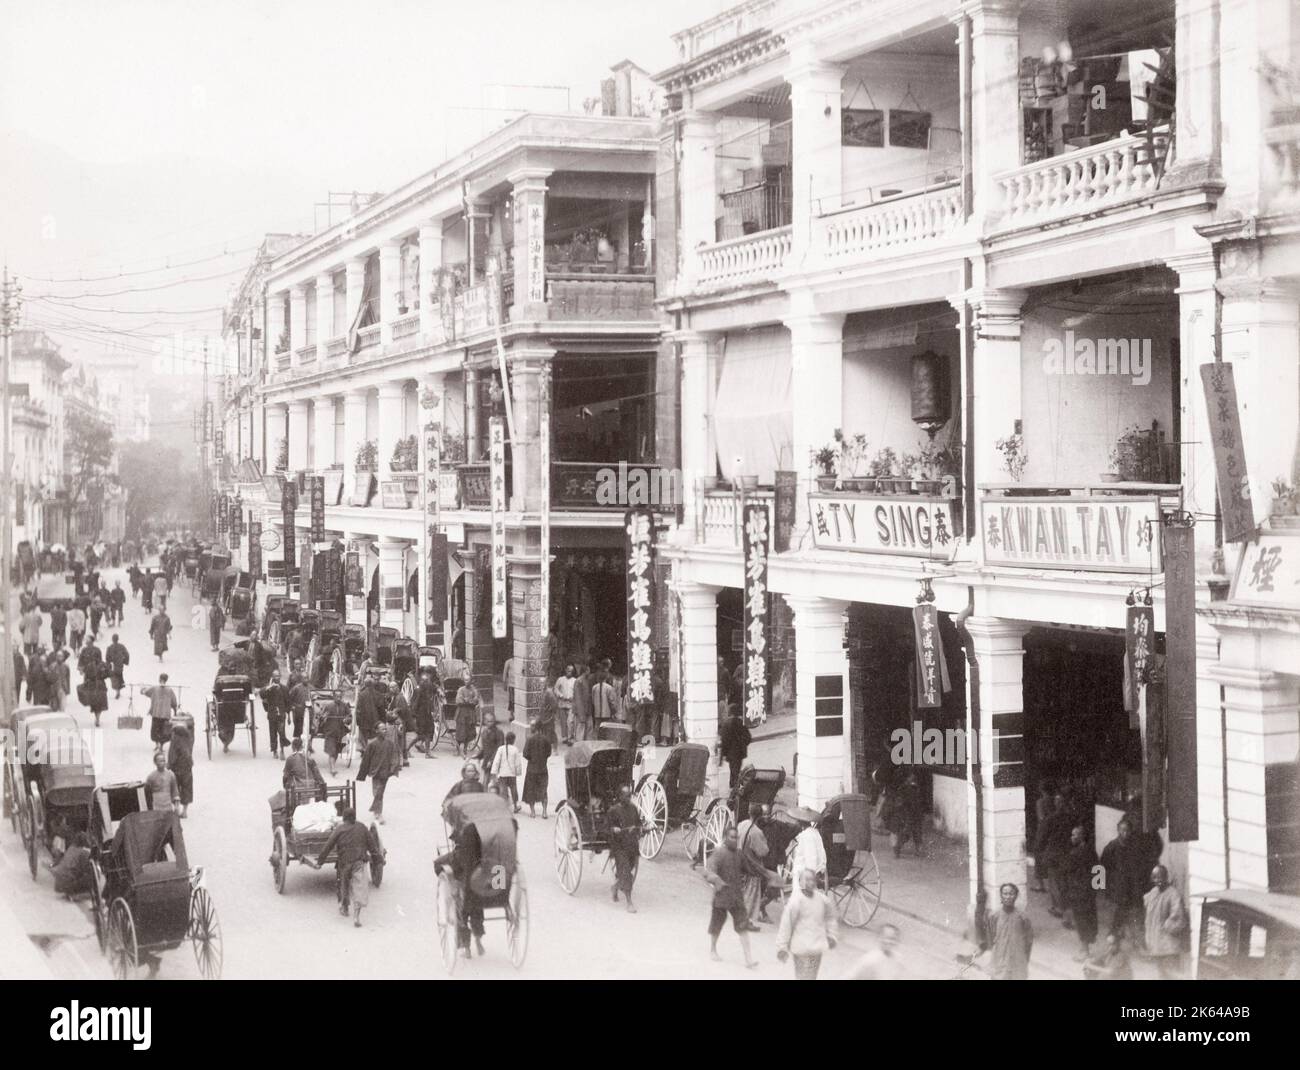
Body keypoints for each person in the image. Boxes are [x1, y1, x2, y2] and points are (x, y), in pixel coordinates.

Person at [312, 808, 380, 927]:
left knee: (343, 884)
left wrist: (320, 862)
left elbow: (328, 846)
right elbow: (372, 846)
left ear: (344, 818)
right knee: (359, 888)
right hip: (359, 862)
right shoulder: (362, 827)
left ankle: (344, 908)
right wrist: (379, 859)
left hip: (344, 863)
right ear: (354, 817)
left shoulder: (339, 829)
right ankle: (356, 916)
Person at [704, 826, 757, 968]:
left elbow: (751, 868)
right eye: (732, 837)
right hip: (721, 896)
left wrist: (766, 874)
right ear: (725, 838)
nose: (735, 840)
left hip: (736, 897)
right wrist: (716, 880)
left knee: (742, 926)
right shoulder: (719, 853)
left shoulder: (740, 855)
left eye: (737, 837)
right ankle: (713, 949)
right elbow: (709, 871)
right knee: (717, 924)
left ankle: (748, 959)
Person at [433, 819, 486, 957]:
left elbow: (442, 865)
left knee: (459, 910)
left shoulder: (463, 825)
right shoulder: (486, 844)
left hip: (464, 886)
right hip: (479, 885)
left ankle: (466, 947)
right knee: (477, 907)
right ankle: (478, 938)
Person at [776, 868, 838, 979]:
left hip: (816, 949)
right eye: (807, 879)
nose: (810, 882)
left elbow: (830, 918)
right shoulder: (795, 902)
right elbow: (786, 925)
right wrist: (782, 947)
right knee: (803, 977)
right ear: (800, 882)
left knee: (812, 977)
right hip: (801, 949)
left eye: (813, 880)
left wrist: (831, 935)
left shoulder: (823, 900)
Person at [1100, 817, 1147, 943]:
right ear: (1118, 830)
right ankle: (1114, 933)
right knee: (1119, 909)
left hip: (1131, 885)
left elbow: (1139, 866)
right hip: (1117, 886)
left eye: (1127, 831)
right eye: (1122, 830)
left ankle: (1120, 932)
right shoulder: (1111, 847)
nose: (1125, 833)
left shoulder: (1135, 847)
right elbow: (1101, 867)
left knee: (1129, 909)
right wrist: (1099, 887)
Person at [1143, 865, 1188, 979]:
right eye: (1155, 877)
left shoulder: (1173, 894)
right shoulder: (1153, 892)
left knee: (1171, 976)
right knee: (1160, 976)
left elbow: (1179, 919)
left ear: (1166, 877)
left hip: (1169, 948)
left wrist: (1166, 927)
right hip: (1156, 946)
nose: (1157, 880)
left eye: (1160, 877)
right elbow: (1146, 909)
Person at [1034, 791, 1073, 918]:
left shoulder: (1051, 818)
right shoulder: (1072, 817)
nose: (1057, 803)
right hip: (1068, 853)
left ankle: (1059, 908)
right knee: (1064, 881)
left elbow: (1042, 838)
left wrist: (1039, 849)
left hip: (1054, 854)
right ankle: (1062, 906)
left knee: (1054, 881)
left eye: (1058, 801)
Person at [738, 803, 777, 927]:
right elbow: (762, 851)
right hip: (751, 866)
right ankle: (745, 921)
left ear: (749, 813)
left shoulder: (742, 825)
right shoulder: (756, 832)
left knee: (743, 892)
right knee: (751, 894)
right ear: (760, 816)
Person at [1063, 824, 1099, 959]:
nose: (1071, 837)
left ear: (1082, 836)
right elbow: (1098, 870)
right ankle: (1087, 945)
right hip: (1089, 892)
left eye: (1074, 835)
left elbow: (1067, 872)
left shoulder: (1075, 853)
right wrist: (1097, 890)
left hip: (1078, 892)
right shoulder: (1091, 851)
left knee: (1081, 920)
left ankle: (1085, 951)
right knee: (1089, 918)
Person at [606, 783, 642, 913]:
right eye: (626, 796)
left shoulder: (633, 808)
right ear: (620, 796)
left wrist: (638, 828)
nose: (628, 798)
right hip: (619, 846)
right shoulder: (613, 810)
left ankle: (615, 887)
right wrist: (613, 829)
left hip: (632, 846)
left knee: (630, 868)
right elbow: (607, 828)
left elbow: (639, 823)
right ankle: (629, 902)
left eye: (630, 796)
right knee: (626, 872)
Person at [986, 882, 1033, 980]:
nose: (1008, 897)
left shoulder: (1023, 917)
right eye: (1005, 893)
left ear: (1016, 896)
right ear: (1001, 895)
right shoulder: (995, 916)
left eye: (1011, 894)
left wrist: (1024, 959)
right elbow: (991, 936)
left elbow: (1028, 940)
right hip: (1000, 959)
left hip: (1017, 960)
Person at [357, 722, 398, 824]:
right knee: (377, 792)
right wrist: (362, 774)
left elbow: (394, 756)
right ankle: (377, 811)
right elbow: (366, 760)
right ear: (376, 731)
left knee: (380, 792)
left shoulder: (390, 744)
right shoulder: (372, 744)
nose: (385, 730)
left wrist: (393, 769)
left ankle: (378, 812)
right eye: (382, 729)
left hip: (386, 772)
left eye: (385, 729)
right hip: (375, 772)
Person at [887, 770, 925, 858]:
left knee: (906, 830)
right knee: (913, 830)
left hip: (905, 809)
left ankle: (898, 847)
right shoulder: (912, 787)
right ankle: (917, 848)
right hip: (910, 810)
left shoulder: (905, 786)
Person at [521, 716, 551, 818]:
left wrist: (532, 759)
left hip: (532, 769)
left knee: (531, 791)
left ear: (536, 727)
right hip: (543, 768)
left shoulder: (529, 739)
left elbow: (525, 754)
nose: (530, 727)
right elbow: (549, 753)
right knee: (543, 791)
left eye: (532, 725)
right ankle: (544, 812)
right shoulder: (546, 739)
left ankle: (533, 812)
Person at [143, 674, 179, 752]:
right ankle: (161, 746)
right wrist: (175, 709)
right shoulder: (170, 690)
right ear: (166, 680)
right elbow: (174, 702)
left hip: (156, 713)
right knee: (164, 731)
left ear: (159, 679)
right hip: (165, 714)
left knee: (155, 730)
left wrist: (143, 689)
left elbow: (145, 692)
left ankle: (157, 745)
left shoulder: (154, 688)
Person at [259, 672, 291, 758]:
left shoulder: (284, 688)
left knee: (282, 732)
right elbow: (261, 694)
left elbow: (288, 703)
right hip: (272, 714)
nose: (277, 677)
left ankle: (282, 750)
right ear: (272, 677)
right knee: (273, 733)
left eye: (278, 676)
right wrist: (269, 686)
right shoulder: (269, 689)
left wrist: (289, 716)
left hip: (281, 715)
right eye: (275, 676)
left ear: (280, 677)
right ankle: (274, 751)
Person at [490, 730, 523, 811]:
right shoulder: (515, 749)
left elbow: (496, 761)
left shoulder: (500, 749)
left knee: (503, 791)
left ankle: (504, 808)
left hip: (502, 774)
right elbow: (518, 763)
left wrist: (494, 773)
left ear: (505, 739)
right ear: (513, 740)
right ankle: (515, 806)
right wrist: (518, 773)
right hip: (512, 775)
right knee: (514, 790)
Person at [718, 711, 751, 789]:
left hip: (730, 752)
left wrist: (723, 755)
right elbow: (748, 738)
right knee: (737, 769)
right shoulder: (741, 723)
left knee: (733, 770)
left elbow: (724, 741)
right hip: (739, 752)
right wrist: (743, 745)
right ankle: (734, 786)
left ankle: (733, 786)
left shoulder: (726, 724)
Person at [168, 722, 194, 818]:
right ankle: (185, 811)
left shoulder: (175, 741)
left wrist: (169, 766)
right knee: (187, 788)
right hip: (187, 768)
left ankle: (176, 808)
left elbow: (172, 755)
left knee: (175, 788)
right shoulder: (189, 739)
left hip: (177, 768)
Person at [454, 674, 481, 758]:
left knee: (469, 731)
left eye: (468, 680)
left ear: (471, 681)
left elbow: (476, 699)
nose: (467, 682)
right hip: (462, 712)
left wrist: (469, 701)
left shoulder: (474, 690)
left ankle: (465, 748)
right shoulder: (461, 689)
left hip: (470, 713)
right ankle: (458, 749)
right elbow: (459, 700)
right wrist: (467, 701)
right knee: (460, 731)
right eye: (465, 680)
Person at [477, 714, 504, 785]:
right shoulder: (484, 731)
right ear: (485, 722)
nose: (490, 723)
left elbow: (499, 748)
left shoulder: (499, 732)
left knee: (495, 782)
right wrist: (478, 756)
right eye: (488, 721)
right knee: (485, 781)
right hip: (487, 760)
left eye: (492, 721)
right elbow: (484, 747)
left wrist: (492, 761)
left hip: (495, 761)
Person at [572, 664, 594, 742]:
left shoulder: (587, 680)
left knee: (589, 729)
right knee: (580, 730)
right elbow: (578, 698)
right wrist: (581, 714)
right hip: (581, 711)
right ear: (585, 671)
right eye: (589, 670)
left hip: (588, 710)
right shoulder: (578, 681)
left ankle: (586, 747)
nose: (590, 672)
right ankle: (579, 747)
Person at [555, 665, 576, 744]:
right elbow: (555, 689)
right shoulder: (560, 679)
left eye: (571, 671)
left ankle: (571, 738)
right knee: (563, 721)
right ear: (565, 670)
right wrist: (560, 695)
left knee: (570, 721)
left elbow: (576, 691)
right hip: (562, 703)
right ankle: (564, 737)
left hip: (570, 704)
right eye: (568, 670)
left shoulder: (574, 680)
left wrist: (572, 697)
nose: (569, 672)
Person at [105, 634, 130, 700]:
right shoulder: (121, 646)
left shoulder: (109, 647)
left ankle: (117, 691)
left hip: (113, 665)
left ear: (112, 640)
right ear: (118, 639)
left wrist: (108, 664)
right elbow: (127, 654)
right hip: (119, 665)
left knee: (114, 678)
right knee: (119, 676)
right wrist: (125, 661)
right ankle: (118, 691)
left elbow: (107, 658)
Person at [287, 672, 309, 741]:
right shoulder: (296, 688)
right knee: (298, 729)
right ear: (301, 679)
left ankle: (308, 745)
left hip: (308, 713)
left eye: (307, 678)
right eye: (304, 678)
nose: (306, 680)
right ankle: (297, 745)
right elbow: (289, 698)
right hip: (298, 712)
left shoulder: (311, 687)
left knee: (308, 729)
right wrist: (292, 706)